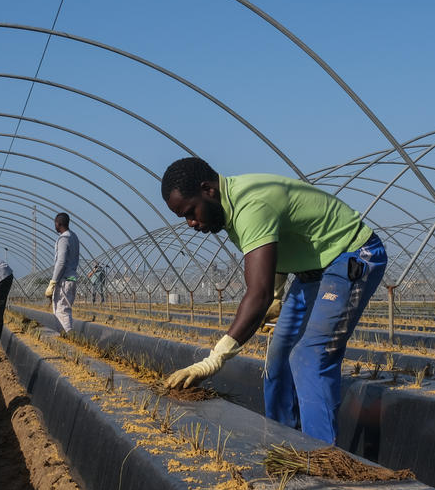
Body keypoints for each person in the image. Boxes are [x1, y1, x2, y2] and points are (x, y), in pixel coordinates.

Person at [160, 157, 387, 444]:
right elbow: (274, 251)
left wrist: (213, 361)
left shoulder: (250, 205)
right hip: (311, 273)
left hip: (351, 256)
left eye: (191, 212)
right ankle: (283, 443)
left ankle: (320, 458)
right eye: (184, 218)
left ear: (208, 190)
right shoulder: (229, 211)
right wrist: (277, 297)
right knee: (278, 359)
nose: (191, 223)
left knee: (310, 356)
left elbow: (258, 293)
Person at [45, 212, 80, 336]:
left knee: (61, 312)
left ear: (58, 223)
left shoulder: (63, 239)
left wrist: (53, 282)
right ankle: (67, 338)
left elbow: (61, 262)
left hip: (64, 280)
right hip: (71, 278)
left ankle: (69, 338)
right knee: (65, 310)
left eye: (55, 223)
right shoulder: (74, 237)